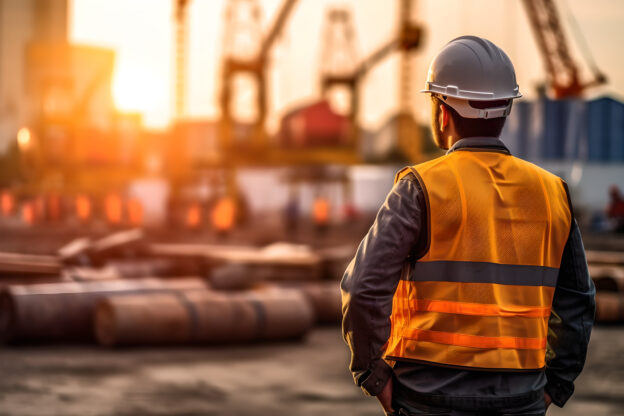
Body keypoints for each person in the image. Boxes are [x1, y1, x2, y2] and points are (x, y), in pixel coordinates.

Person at [341, 36, 595, 416]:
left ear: (442, 113)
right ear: (506, 108)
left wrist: (375, 376)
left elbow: (363, 288)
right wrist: (556, 383)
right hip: (521, 399)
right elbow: (577, 299)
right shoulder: (552, 192)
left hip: (426, 397)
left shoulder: (420, 188)